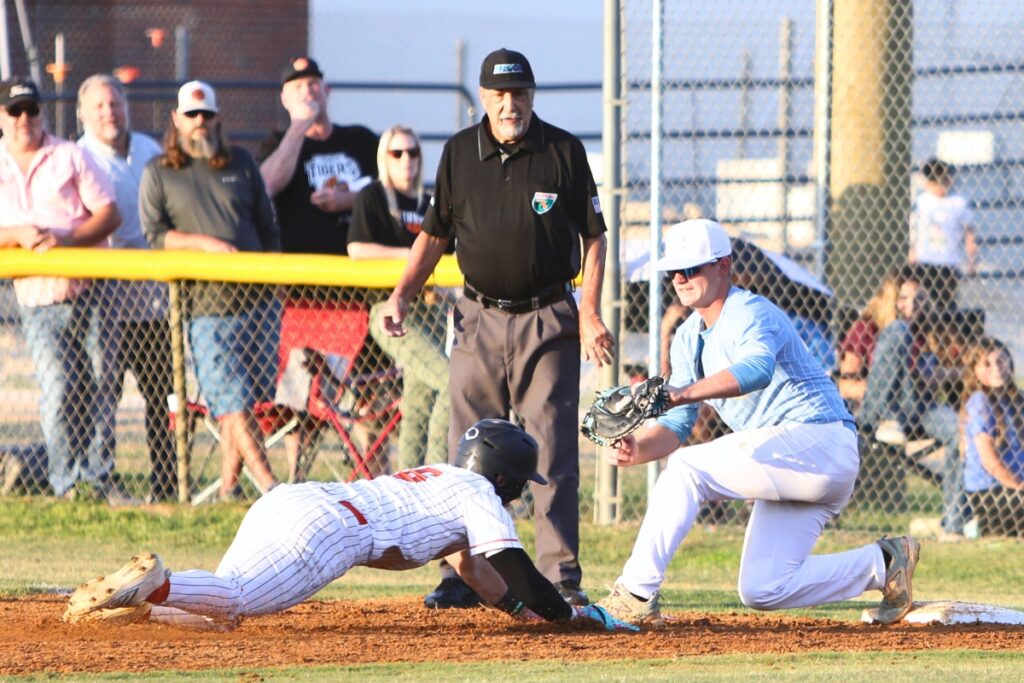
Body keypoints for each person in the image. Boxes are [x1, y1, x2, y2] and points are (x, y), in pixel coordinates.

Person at [594, 219, 921, 627]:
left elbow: (756, 370)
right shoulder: (686, 337)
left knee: (687, 468)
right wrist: (638, 448)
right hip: (788, 459)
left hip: (819, 439)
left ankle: (636, 593)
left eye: (692, 268)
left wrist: (684, 391)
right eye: (674, 271)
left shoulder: (748, 310)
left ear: (722, 266)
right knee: (764, 587)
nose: (680, 278)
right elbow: (678, 426)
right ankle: (884, 563)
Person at [380, 48, 614, 609]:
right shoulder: (460, 153)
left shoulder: (563, 150)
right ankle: (462, 574)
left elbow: (595, 238)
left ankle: (560, 578)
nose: (512, 106)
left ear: (533, 96)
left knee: (553, 452)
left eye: (521, 94)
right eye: (500, 95)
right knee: (469, 457)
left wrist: (589, 312)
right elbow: (434, 237)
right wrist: (401, 295)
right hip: (478, 317)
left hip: (548, 317)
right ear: (483, 99)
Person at [62, 419, 637, 633]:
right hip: (331, 530)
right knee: (236, 601)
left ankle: (132, 606)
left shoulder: (443, 476)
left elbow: (475, 568)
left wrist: (517, 611)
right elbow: (512, 564)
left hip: (296, 498)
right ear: (506, 476)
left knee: (220, 618)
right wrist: (564, 615)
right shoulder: (481, 492)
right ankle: (155, 581)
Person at [139, 80, 281, 500]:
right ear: (176, 119)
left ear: (218, 118)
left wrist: (274, 282)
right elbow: (154, 236)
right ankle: (272, 489)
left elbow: (267, 226)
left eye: (206, 115)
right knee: (231, 402)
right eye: (191, 115)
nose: (199, 122)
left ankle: (227, 492)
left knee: (241, 404)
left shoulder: (239, 161)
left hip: (258, 303)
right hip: (205, 308)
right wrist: (204, 244)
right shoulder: (159, 171)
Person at [0, 77, 132, 504]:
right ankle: (65, 484)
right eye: (14, 110)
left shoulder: (69, 155)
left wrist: (67, 241)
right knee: (58, 387)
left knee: (100, 383)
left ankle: (99, 476)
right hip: (35, 298)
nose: (24, 119)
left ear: (43, 113)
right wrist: (18, 233)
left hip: (88, 289)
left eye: (31, 109)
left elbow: (110, 213)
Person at [77, 73, 177, 502]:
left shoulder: (151, 151)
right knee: (104, 393)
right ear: (82, 113)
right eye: (98, 106)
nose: (109, 113)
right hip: (105, 299)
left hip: (153, 297)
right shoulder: (78, 157)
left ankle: (169, 484)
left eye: (114, 103)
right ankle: (103, 481)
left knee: (163, 393)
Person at [348, 125, 452, 471]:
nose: (406, 159)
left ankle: (409, 480)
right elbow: (357, 249)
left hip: (430, 310)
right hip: (389, 310)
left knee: (419, 399)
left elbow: (450, 252)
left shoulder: (430, 202)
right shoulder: (373, 196)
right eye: (397, 153)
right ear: (384, 158)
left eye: (413, 152)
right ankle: (436, 476)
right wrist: (413, 257)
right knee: (451, 384)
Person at [859, 266, 964, 532]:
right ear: (893, 299)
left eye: (920, 299)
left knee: (958, 430)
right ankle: (880, 418)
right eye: (904, 298)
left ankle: (953, 525)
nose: (912, 305)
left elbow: (963, 366)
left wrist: (935, 374)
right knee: (899, 332)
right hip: (881, 406)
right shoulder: (870, 326)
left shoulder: (934, 330)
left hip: (921, 408)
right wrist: (877, 387)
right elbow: (844, 380)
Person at [258, 56, 378, 255]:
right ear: (284, 100)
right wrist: (299, 125)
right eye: (297, 87)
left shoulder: (360, 138)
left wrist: (349, 199)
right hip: (304, 270)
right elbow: (266, 186)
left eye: (313, 83)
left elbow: (393, 193)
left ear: (327, 91)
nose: (307, 91)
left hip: (359, 267)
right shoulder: (277, 144)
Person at [959, 337, 1024, 537]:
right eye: (987, 364)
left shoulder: (1016, 399)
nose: (996, 368)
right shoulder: (980, 402)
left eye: (1001, 361)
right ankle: (981, 526)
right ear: (974, 371)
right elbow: (990, 462)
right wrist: (1019, 487)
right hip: (992, 493)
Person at [908, 158, 977, 307]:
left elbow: (970, 234)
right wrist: (912, 255)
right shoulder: (922, 201)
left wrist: (971, 261)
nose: (940, 186)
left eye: (944, 180)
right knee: (923, 302)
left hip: (948, 262)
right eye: (935, 182)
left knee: (946, 304)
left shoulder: (958, 203)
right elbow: (915, 231)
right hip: (925, 261)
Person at [837, 268, 900, 412]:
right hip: (873, 407)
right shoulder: (866, 329)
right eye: (902, 299)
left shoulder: (918, 328)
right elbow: (844, 386)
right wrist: (879, 392)